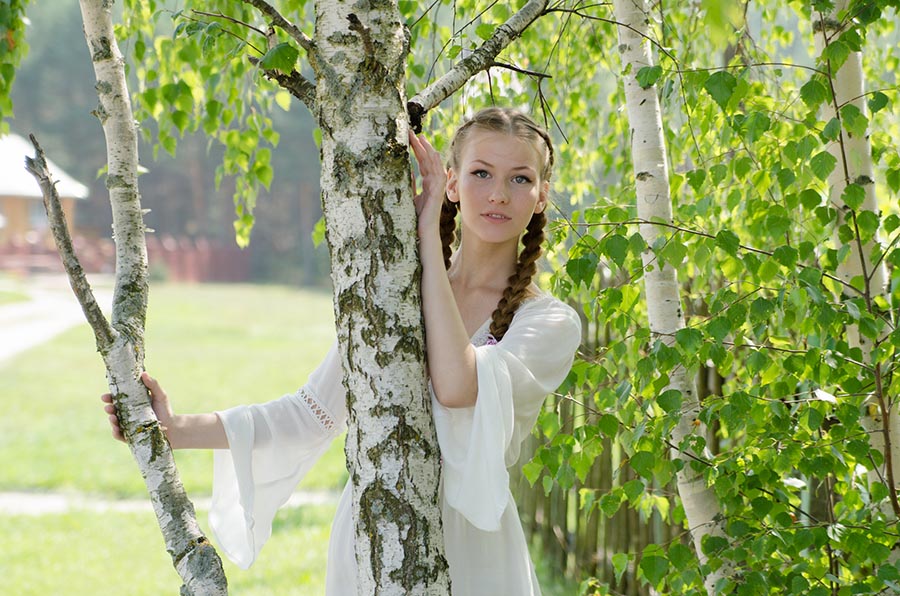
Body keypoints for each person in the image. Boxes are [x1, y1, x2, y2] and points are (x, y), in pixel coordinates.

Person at [102, 107, 581, 595]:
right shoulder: (394, 293)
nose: (499, 193)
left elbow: (457, 387)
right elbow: (312, 414)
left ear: (542, 196)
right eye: (481, 173)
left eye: (520, 179)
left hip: (477, 553)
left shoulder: (549, 323)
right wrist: (174, 429)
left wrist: (426, 242)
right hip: (376, 537)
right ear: (451, 182)